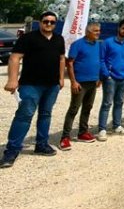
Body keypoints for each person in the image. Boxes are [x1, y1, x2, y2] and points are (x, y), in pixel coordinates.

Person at [1, 11, 65, 168]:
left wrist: (61, 79)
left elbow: (61, 59)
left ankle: (41, 144)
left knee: (45, 114)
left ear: (55, 24)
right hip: (30, 85)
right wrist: (12, 80)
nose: (49, 24)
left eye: (52, 22)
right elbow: (15, 58)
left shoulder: (59, 39)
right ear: (40, 22)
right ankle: (11, 151)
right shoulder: (28, 38)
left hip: (52, 85)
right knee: (24, 116)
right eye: (46, 21)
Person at [59, 23, 104, 150]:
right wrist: (73, 81)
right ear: (88, 32)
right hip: (80, 83)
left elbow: (99, 61)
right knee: (74, 108)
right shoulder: (77, 44)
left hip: (93, 82)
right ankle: (65, 137)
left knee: (87, 108)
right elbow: (70, 63)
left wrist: (99, 78)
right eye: (95, 31)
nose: (98, 33)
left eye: (99, 31)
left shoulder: (98, 45)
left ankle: (82, 132)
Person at [98, 18, 124, 140]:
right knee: (107, 103)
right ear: (118, 28)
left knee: (119, 102)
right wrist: (106, 74)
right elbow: (101, 59)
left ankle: (117, 125)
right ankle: (102, 129)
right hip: (110, 78)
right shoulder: (107, 42)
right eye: (123, 28)